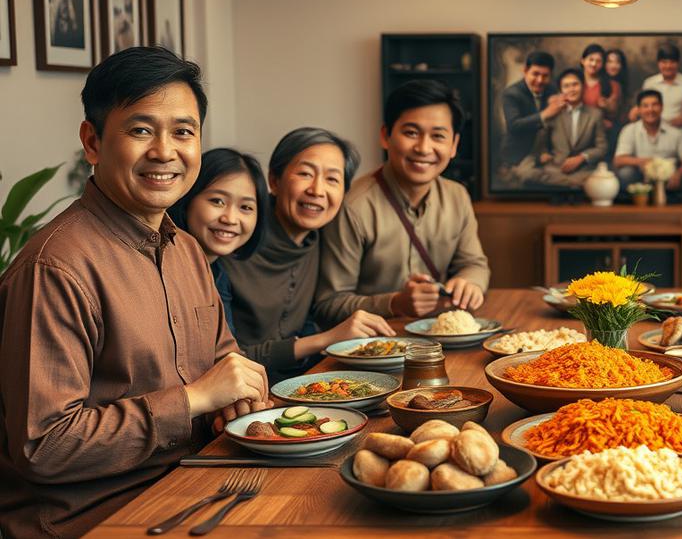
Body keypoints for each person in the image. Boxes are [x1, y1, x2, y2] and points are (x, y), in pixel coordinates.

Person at [0, 46, 270, 538]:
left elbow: (223, 368)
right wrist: (191, 400)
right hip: (95, 519)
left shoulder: (186, 249)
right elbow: (44, 447)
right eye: (141, 130)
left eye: (183, 132)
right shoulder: (54, 268)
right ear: (93, 141)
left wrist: (239, 397)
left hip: (196, 492)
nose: (165, 152)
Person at [221, 127, 395, 383]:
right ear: (274, 181)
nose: (317, 190)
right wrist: (326, 339)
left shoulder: (321, 238)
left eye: (332, 179)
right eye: (305, 173)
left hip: (302, 380)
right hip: (244, 391)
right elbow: (229, 360)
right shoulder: (232, 238)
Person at [316, 79, 490, 320]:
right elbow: (328, 304)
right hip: (372, 348)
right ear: (386, 136)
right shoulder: (353, 206)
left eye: (438, 136)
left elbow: (475, 264)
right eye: (411, 133)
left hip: (438, 338)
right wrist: (394, 303)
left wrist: (469, 282)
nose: (423, 148)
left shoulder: (457, 196)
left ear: (454, 145)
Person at [167, 148, 270, 334]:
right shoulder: (164, 268)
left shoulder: (218, 273)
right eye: (217, 201)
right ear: (188, 198)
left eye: (246, 207)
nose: (230, 219)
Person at [533, 68, 607, 187]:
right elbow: (540, 144)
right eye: (566, 86)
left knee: (595, 184)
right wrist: (543, 153)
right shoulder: (553, 113)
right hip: (555, 170)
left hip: (585, 171)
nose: (571, 89)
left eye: (575, 84)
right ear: (561, 91)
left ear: (583, 86)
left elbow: (602, 147)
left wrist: (582, 157)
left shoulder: (595, 114)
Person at [613, 89, 682, 191]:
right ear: (639, 110)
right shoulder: (629, 130)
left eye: (655, 105)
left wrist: (679, 174)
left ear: (662, 107)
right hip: (641, 175)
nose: (650, 110)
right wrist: (644, 162)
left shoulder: (676, 132)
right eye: (645, 106)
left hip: (669, 177)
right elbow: (618, 160)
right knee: (626, 173)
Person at [498, 51, 564, 172]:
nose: (540, 80)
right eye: (535, 74)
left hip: (545, 155)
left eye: (545, 76)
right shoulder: (511, 93)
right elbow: (514, 126)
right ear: (525, 71)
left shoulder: (552, 89)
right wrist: (546, 113)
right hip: (516, 157)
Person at [634, 42, 682, 126]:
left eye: (672, 62)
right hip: (653, 129)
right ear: (658, 63)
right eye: (664, 62)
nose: (668, 66)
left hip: (680, 129)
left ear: (678, 63)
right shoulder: (649, 83)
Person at [580, 43, 620, 129]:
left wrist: (608, 107)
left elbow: (614, 114)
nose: (594, 64)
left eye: (598, 61)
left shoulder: (612, 85)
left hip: (602, 132)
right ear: (583, 61)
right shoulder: (574, 83)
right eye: (591, 59)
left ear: (602, 64)